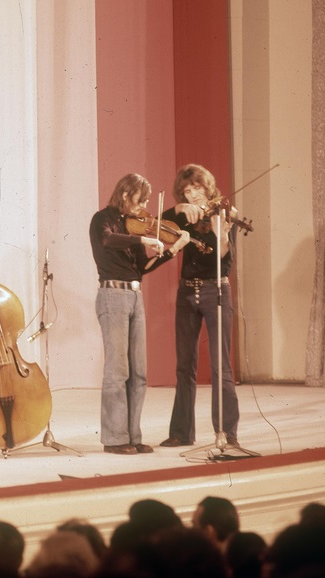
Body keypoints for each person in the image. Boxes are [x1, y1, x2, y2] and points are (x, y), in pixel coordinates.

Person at [89, 173, 190, 455]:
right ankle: (114, 439)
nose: (145, 205)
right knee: (117, 370)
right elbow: (107, 240)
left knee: (139, 373)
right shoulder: (102, 219)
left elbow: (142, 269)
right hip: (113, 295)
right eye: (141, 199)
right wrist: (142, 239)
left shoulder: (134, 225)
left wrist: (172, 250)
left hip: (134, 295)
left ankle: (132, 436)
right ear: (126, 194)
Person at [158, 164, 240, 448]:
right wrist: (180, 208)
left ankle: (227, 433)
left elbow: (225, 259)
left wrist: (223, 234)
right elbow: (157, 224)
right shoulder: (183, 214)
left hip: (216, 289)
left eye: (196, 188)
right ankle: (181, 433)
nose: (192, 194)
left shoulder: (225, 213)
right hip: (186, 292)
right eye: (186, 191)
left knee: (221, 366)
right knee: (184, 366)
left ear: (207, 187)